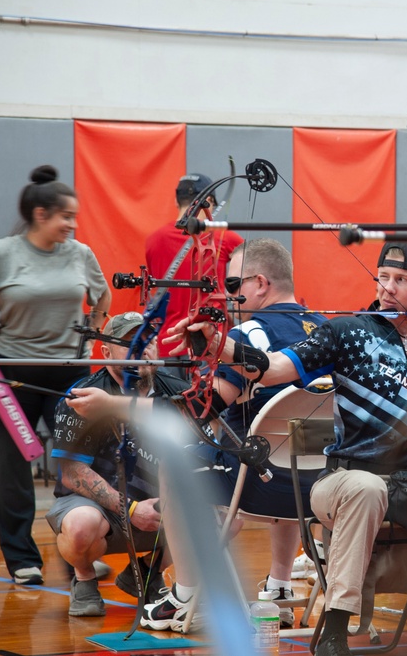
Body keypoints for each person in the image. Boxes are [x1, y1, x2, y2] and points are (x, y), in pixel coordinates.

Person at [166, 242, 407, 656]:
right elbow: (272, 369)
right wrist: (218, 344)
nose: (389, 288)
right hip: (342, 482)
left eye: (403, 280)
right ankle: (336, 630)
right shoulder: (347, 331)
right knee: (366, 488)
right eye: (384, 278)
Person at [0, 165, 110, 586]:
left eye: (74, 217)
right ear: (39, 215)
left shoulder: (80, 253)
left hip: (68, 373)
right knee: (17, 464)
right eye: (65, 216)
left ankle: (80, 552)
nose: (72, 224)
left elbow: (102, 295)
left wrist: (92, 338)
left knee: (79, 463)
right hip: (10, 373)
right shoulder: (1, 254)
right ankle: (22, 560)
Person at [145, 238, 328, 632]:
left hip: (258, 485)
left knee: (176, 465)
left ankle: (184, 594)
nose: (228, 295)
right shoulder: (330, 330)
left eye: (233, 285)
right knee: (291, 451)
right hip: (323, 489)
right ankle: (279, 587)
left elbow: (203, 410)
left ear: (260, 283)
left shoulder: (249, 334)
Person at [47, 312, 191, 616]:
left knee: (228, 516)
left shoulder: (179, 390)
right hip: (101, 512)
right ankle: (84, 578)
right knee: (79, 526)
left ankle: (146, 573)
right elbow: (72, 474)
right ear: (105, 352)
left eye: (148, 339)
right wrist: (133, 509)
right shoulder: (83, 395)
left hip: (162, 508)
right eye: (129, 342)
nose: (141, 347)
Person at [145, 173, 244, 359]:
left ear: (176, 200)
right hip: (209, 343)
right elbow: (253, 265)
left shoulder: (153, 240)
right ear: (208, 201)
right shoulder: (225, 237)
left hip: (167, 343)